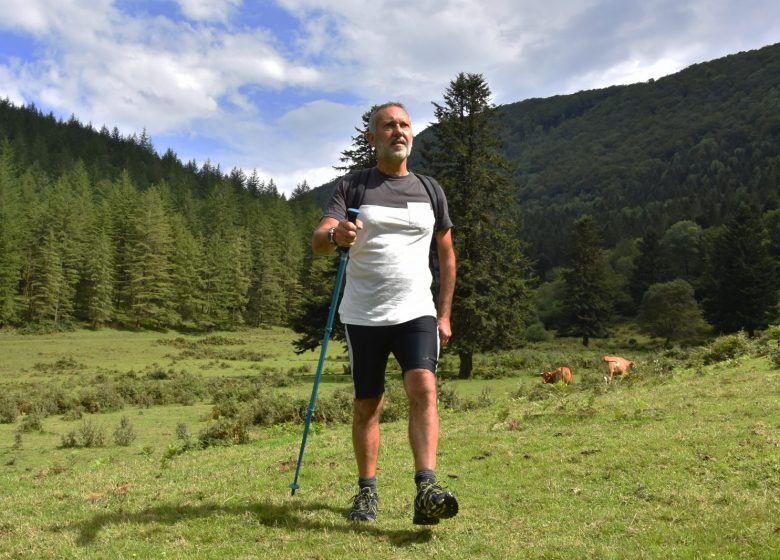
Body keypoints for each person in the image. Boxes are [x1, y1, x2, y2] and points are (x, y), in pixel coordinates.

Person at [312, 102, 458, 525]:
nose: (398, 131)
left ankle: (426, 487)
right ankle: (367, 493)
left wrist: (444, 315)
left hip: (416, 311)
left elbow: (447, 257)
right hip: (363, 316)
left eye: (404, 125)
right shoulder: (352, 187)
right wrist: (336, 234)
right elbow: (319, 240)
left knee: (424, 390)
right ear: (372, 138)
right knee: (367, 406)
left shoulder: (431, 190)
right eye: (388, 126)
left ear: (412, 134)